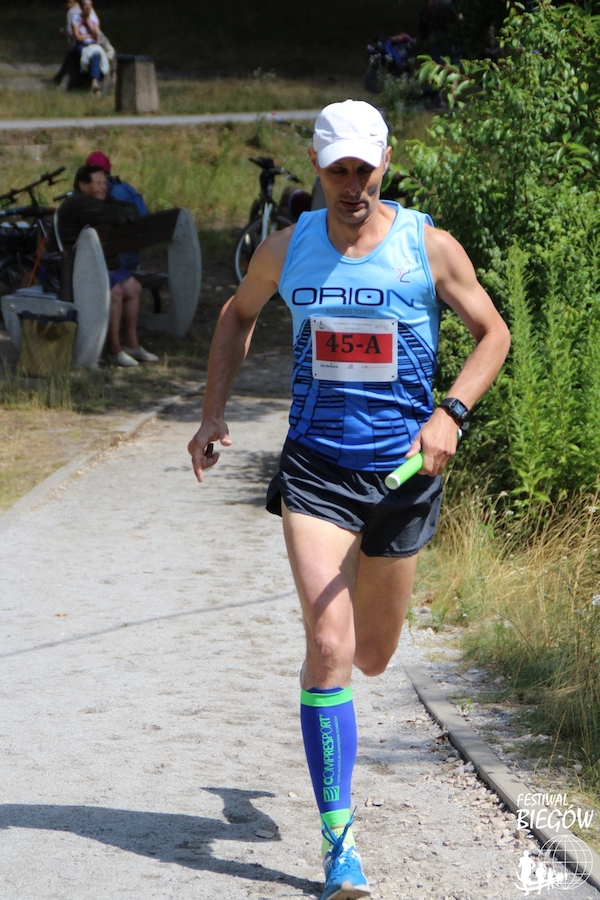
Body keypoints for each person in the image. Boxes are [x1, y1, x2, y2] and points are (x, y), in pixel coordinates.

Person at [187, 100, 510, 900]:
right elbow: (236, 314)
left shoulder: (427, 247)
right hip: (317, 469)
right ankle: (340, 847)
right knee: (332, 648)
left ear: (386, 163)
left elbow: (494, 333)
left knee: (372, 655)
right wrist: (213, 413)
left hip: (403, 475)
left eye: (365, 168)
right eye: (339, 169)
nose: (353, 184)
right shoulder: (287, 247)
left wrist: (452, 413)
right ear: (317, 166)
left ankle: (323, 674)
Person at [57, 164, 159, 367]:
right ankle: (114, 350)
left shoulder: (100, 201)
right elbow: (113, 215)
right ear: (83, 185)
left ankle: (132, 344)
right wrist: (118, 213)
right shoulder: (79, 204)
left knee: (134, 287)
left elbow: (131, 209)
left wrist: (118, 212)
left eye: (104, 182)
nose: (104, 187)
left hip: (98, 263)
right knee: (116, 292)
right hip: (74, 268)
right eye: (98, 183)